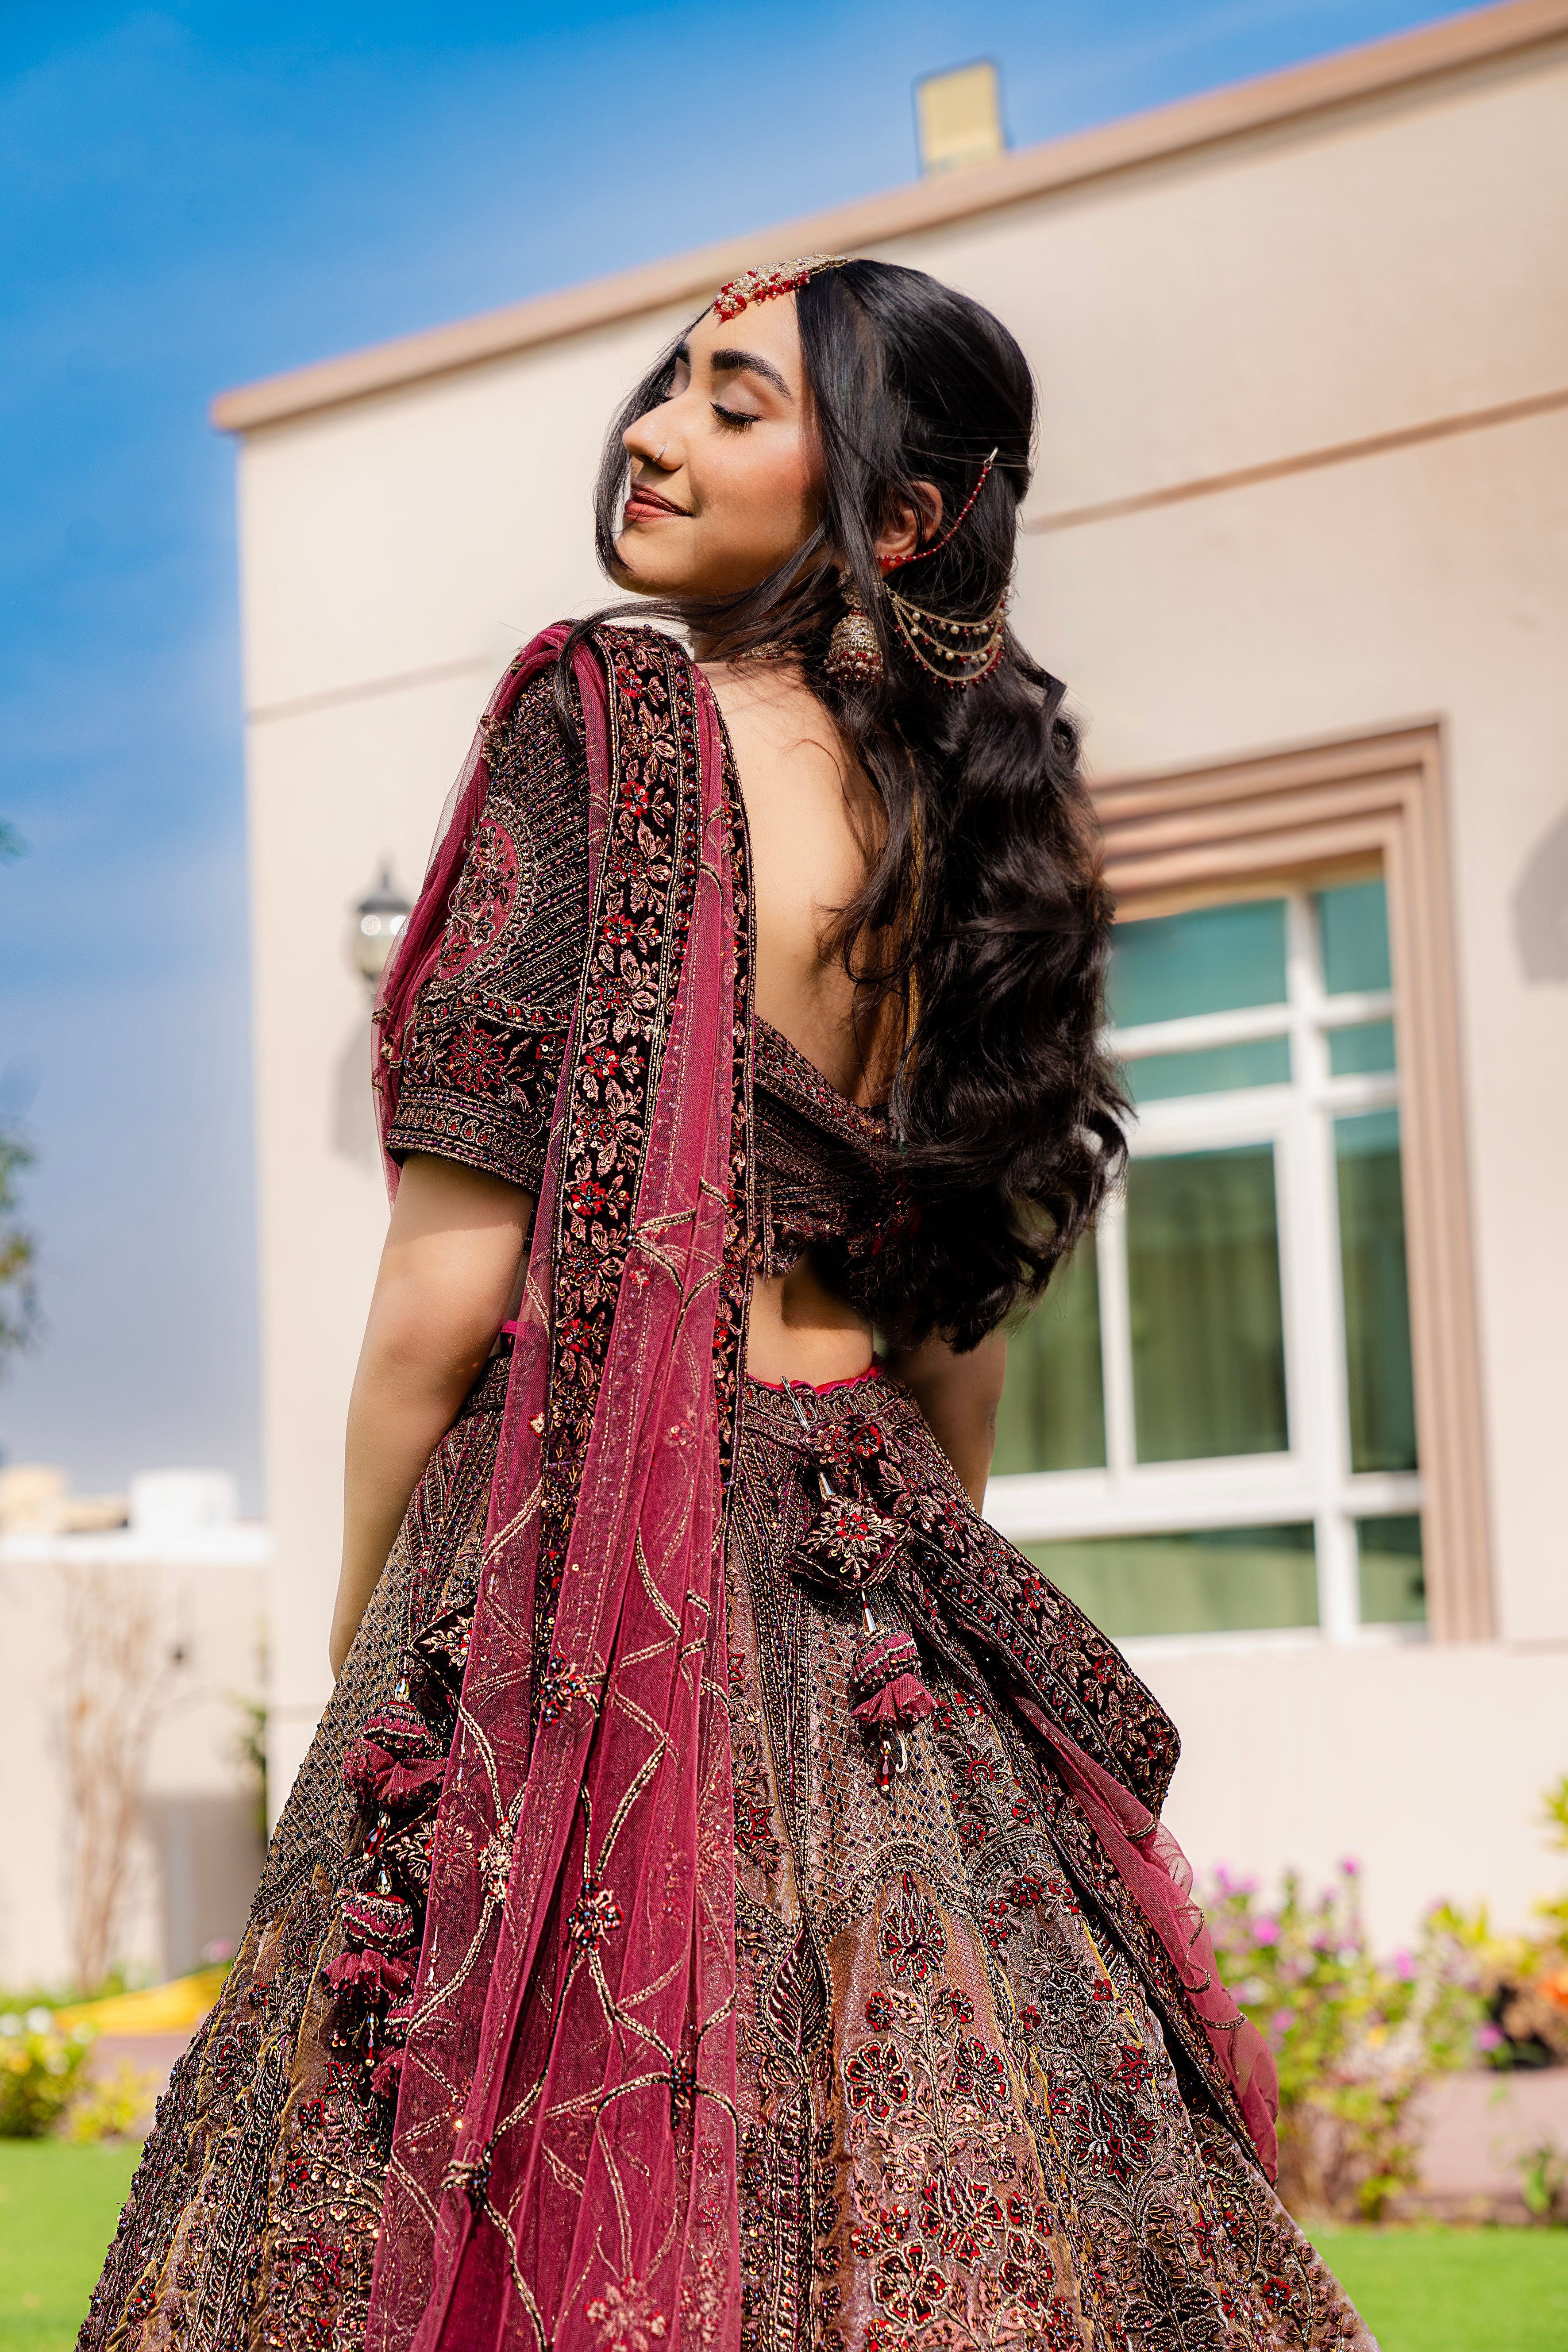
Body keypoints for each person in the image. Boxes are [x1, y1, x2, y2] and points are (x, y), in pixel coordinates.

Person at [82, 255, 1374, 2352]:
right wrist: (910, 1624)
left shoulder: (603, 727)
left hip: (576, 1543)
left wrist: (368, 1630)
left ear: (900, 516)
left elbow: (445, 1288)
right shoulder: (967, 828)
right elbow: (954, 1329)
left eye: (736, 406)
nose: (655, 437)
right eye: (669, 386)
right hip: (867, 1569)